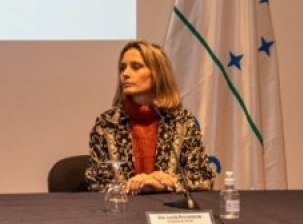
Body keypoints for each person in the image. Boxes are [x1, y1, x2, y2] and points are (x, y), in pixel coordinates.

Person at [86, 40, 216, 193]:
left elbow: (204, 177)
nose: (125, 74)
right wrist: (131, 185)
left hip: (168, 212)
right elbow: (95, 180)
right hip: (123, 209)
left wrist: (168, 181)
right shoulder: (106, 123)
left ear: (157, 73)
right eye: (122, 68)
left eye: (136, 67)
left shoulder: (182, 121)